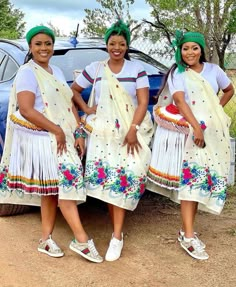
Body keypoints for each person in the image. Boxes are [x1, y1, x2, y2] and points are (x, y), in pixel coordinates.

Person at [0, 26, 103, 263]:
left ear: (52, 46)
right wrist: (56, 129)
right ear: (30, 47)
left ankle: (46, 239)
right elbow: (25, 109)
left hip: (64, 136)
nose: (43, 48)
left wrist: (78, 132)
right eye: (38, 44)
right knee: (68, 182)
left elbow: (69, 104)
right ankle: (81, 239)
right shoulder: (28, 72)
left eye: (48, 43)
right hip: (45, 138)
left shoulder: (55, 70)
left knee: (52, 189)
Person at [147, 30, 234, 260]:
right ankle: (187, 236)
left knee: (202, 180)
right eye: (185, 48)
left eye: (194, 48)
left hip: (214, 132)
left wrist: (216, 108)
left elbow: (229, 90)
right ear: (180, 50)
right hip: (192, 133)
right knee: (190, 182)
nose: (190, 52)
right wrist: (196, 127)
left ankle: (188, 230)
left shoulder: (214, 70)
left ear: (201, 49)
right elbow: (179, 100)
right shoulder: (179, 72)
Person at [71, 20, 153, 261]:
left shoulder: (136, 69)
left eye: (121, 43)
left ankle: (117, 235)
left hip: (130, 131)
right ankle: (116, 236)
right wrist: (87, 107)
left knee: (129, 174)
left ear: (127, 46)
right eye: (112, 43)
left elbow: (143, 102)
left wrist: (133, 129)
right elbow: (74, 90)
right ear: (106, 45)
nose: (116, 47)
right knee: (110, 180)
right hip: (103, 132)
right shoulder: (96, 68)